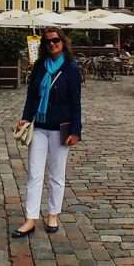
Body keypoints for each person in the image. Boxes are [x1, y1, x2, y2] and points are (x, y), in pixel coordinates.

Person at [13, 27, 82, 238]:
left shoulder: (71, 68)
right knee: (34, 173)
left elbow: (75, 102)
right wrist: (25, 117)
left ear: (63, 42)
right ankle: (30, 218)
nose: (52, 44)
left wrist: (75, 130)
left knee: (56, 175)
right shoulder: (40, 67)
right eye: (48, 42)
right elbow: (32, 96)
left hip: (61, 127)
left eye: (55, 40)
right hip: (40, 126)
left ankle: (53, 214)